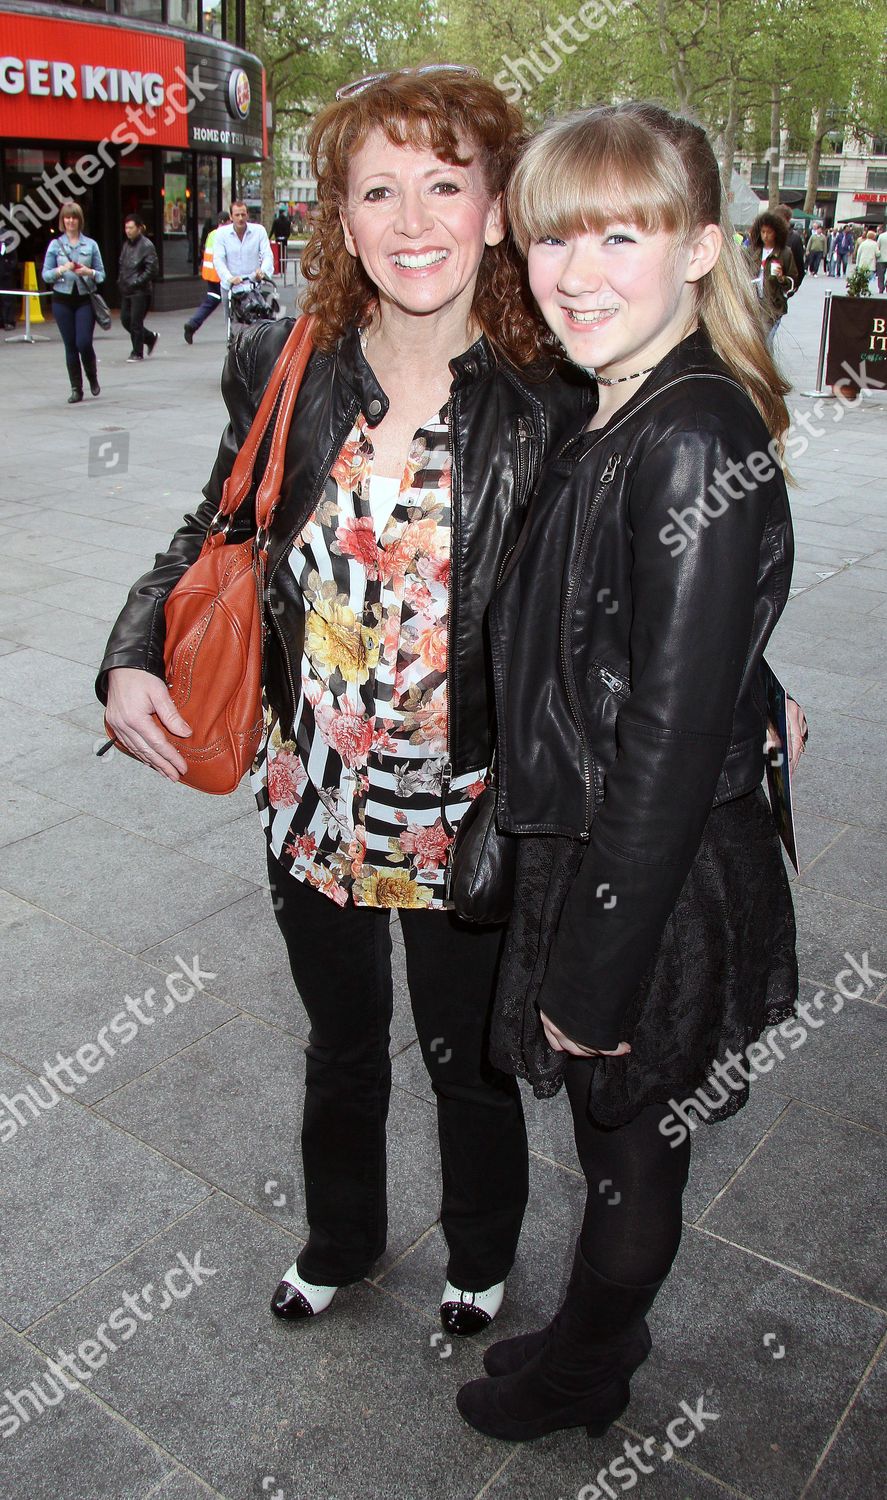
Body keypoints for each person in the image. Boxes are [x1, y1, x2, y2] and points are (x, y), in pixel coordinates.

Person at [96, 68, 590, 1339]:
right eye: (379, 189)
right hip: (311, 792)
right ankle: (341, 1239)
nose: (413, 217)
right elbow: (217, 523)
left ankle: (479, 1256)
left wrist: (745, 685)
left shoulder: (553, 392)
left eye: (444, 183)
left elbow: (630, 581)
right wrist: (132, 645)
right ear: (340, 217)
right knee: (340, 1050)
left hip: (466, 808)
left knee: (466, 1063)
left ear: (495, 210)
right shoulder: (283, 356)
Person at [455, 99, 803, 1446]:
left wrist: (591, 971)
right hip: (609, 850)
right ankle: (593, 1334)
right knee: (619, 1144)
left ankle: (588, 1370)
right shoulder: (629, 406)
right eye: (552, 236)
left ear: (700, 247)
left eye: (620, 233)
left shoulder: (683, 435)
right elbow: (660, 647)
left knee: (623, 1156)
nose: (576, 271)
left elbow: (661, 740)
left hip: (639, 875)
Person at [41, 201, 105, 403]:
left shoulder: (91, 245)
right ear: (62, 221)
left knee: (83, 342)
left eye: (74, 217)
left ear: (79, 220)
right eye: (67, 217)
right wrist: (62, 269)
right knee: (70, 345)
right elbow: (46, 275)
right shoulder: (55, 245)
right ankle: (76, 388)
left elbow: (102, 275)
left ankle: (92, 377)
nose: (70, 221)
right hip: (62, 300)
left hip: (85, 299)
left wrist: (89, 272)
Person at [747, 211, 795, 346]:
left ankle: (765, 366)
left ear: (777, 233)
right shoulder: (753, 251)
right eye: (763, 232)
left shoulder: (785, 253)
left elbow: (792, 281)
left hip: (773, 305)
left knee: (766, 343)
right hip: (754, 303)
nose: (766, 236)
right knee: (757, 342)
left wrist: (782, 278)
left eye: (769, 232)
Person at [213, 200, 274, 305]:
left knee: (258, 318)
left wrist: (263, 272)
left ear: (247, 215)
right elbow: (218, 259)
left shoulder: (259, 231)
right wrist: (229, 278)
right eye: (237, 215)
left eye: (243, 214)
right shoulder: (221, 234)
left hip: (253, 287)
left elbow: (267, 255)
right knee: (231, 320)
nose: (240, 218)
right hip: (230, 288)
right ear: (231, 217)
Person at [184, 211, 231, 343]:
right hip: (221, 275)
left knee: (212, 300)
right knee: (231, 303)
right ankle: (233, 334)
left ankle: (193, 324)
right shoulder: (226, 235)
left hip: (210, 273)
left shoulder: (212, 234)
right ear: (227, 221)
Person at [118, 214, 159, 362]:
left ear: (139, 228)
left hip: (140, 290)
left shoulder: (146, 245)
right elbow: (123, 265)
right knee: (125, 319)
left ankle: (137, 351)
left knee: (135, 321)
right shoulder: (127, 245)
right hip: (127, 289)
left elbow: (152, 269)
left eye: (131, 227)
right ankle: (149, 337)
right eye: (126, 227)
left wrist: (137, 282)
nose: (128, 231)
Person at [775, 205, 805, 295]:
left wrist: (793, 287)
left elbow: (799, 265)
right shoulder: (771, 235)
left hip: (784, 283)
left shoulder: (794, 238)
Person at [0, 236, 18, 329]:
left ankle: (8, 321)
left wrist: (8, 269)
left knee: (7, 298)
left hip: (4, 274)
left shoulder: (6, 236)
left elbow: (13, 257)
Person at [270, 205, 292, 273]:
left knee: (278, 253)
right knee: (284, 252)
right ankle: (284, 267)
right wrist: (287, 236)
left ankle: (279, 267)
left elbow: (272, 230)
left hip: (278, 239)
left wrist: (269, 237)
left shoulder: (276, 221)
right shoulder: (287, 221)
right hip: (285, 239)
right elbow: (289, 230)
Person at [876, 223, 887, 295]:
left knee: (880, 275)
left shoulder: (881, 236)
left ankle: (881, 288)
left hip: (882, 258)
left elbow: (877, 247)